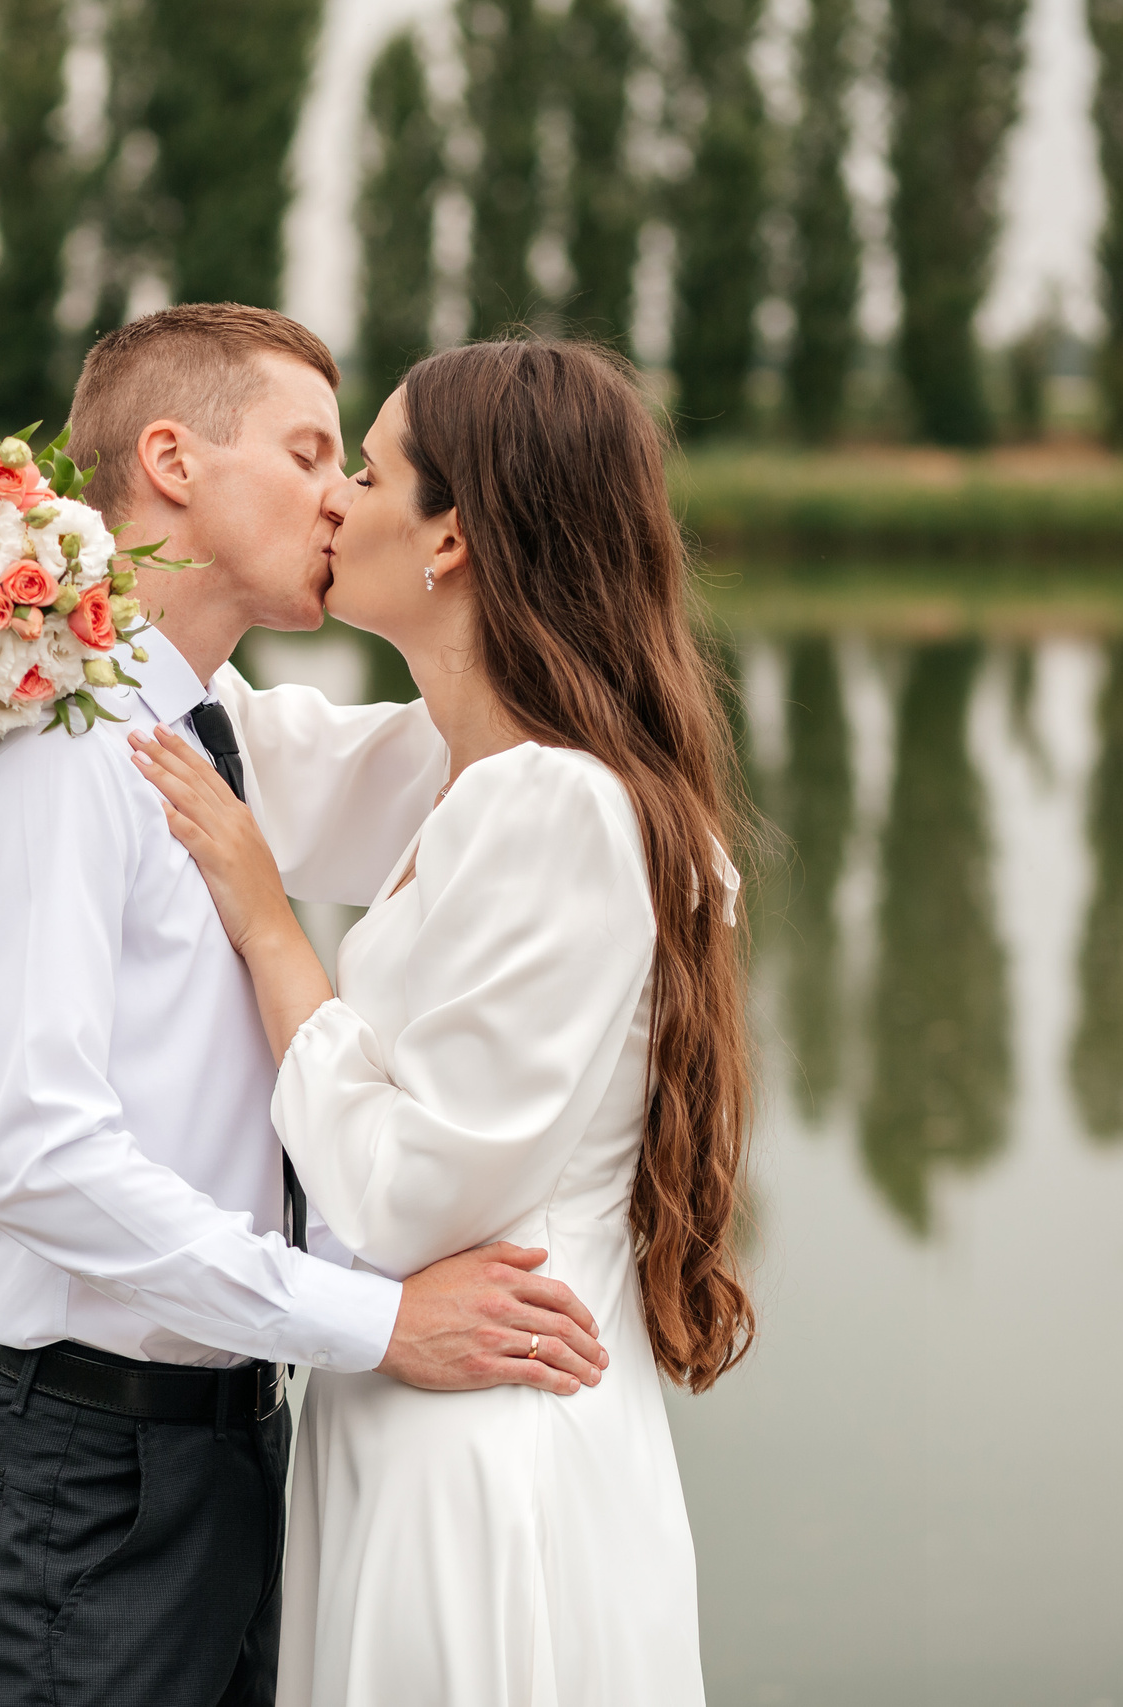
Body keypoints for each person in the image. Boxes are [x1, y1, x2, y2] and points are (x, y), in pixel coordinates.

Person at [0, 306, 612, 1707]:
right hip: (89, 1476)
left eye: (354, 463)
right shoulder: (62, 752)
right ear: (171, 461)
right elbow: (41, 1158)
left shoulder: (207, 730)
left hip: (228, 1443)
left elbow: (467, 761)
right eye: (308, 453)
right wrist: (375, 1320)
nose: (339, 494)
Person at [131, 336, 754, 1706]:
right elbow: (234, 744)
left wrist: (268, 923)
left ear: (455, 537)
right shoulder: (467, 765)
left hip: (485, 1454)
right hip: (418, 1407)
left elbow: (414, 1195)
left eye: (362, 469)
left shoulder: (560, 808)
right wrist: (23, 577)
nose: (337, 502)